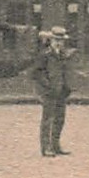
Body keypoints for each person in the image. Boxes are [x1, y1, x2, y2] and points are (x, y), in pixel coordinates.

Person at [31, 26, 74, 156]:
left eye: (61, 40)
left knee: (60, 119)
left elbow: (66, 72)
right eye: (56, 40)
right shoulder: (45, 55)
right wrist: (47, 85)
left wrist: (67, 87)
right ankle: (46, 148)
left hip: (61, 91)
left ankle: (56, 145)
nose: (59, 43)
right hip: (49, 92)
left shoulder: (63, 54)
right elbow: (37, 73)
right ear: (51, 40)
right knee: (48, 119)